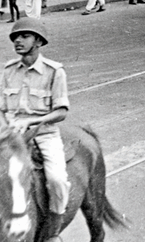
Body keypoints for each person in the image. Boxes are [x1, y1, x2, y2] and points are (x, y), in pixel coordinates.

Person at [0, 18, 71, 242]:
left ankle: (52, 233)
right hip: (11, 136)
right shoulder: (8, 70)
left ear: (38, 41)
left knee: (57, 181)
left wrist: (31, 122)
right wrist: (6, 127)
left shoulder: (54, 72)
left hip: (43, 135)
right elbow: (2, 108)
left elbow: (61, 111)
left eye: (24, 36)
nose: (18, 41)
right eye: (15, 37)